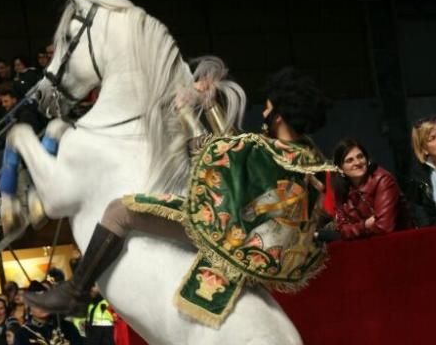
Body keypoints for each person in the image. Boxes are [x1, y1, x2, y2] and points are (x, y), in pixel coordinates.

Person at [24, 66, 333, 324]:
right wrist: (210, 103)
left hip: (225, 231)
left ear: (278, 115)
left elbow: (216, 159)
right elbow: (234, 147)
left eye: (267, 107)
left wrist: (186, 107)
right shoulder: (302, 154)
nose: (264, 111)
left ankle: (76, 291)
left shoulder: (266, 152)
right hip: (254, 240)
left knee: (119, 211)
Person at [321, 138, 410, 240]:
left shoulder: (382, 180)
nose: (357, 162)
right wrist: (366, 225)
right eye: (349, 160)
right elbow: (341, 229)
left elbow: (384, 227)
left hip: (398, 243)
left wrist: (354, 228)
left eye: (360, 157)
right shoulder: (341, 188)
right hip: (366, 247)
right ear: (340, 168)